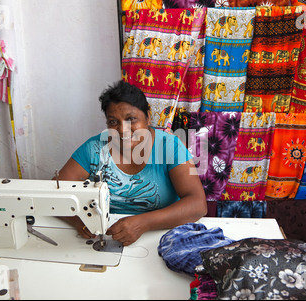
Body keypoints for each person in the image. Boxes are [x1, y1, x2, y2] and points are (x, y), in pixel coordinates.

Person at [57, 80, 207, 246]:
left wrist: (143, 223)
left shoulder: (170, 147)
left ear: (148, 117)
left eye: (131, 119)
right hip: (109, 233)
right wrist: (78, 221)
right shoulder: (94, 149)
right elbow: (55, 194)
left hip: (162, 234)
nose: (122, 129)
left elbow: (198, 204)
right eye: (113, 122)